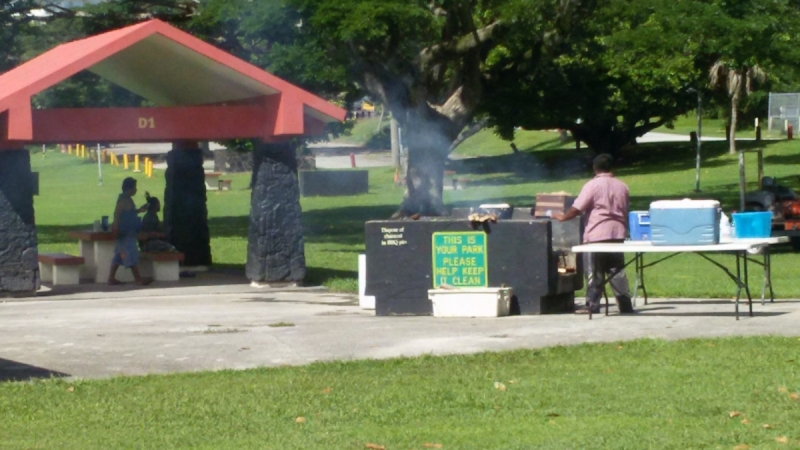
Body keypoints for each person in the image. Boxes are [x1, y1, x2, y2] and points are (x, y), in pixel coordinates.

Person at [553, 154, 634, 314]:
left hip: (596, 234)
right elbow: (625, 210)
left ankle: (592, 304)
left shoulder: (592, 185)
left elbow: (577, 208)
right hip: (617, 234)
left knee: (594, 271)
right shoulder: (622, 186)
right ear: (612, 168)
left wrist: (562, 217)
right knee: (616, 271)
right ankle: (625, 304)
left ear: (594, 168)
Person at [108, 177, 151, 286]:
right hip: (125, 233)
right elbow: (117, 215)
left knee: (119, 255)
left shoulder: (127, 199)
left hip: (127, 232)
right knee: (131, 254)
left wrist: (140, 210)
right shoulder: (123, 200)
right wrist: (116, 228)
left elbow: (129, 213)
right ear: (129, 188)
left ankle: (111, 278)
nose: (136, 190)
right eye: (134, 187)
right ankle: (138, 280)